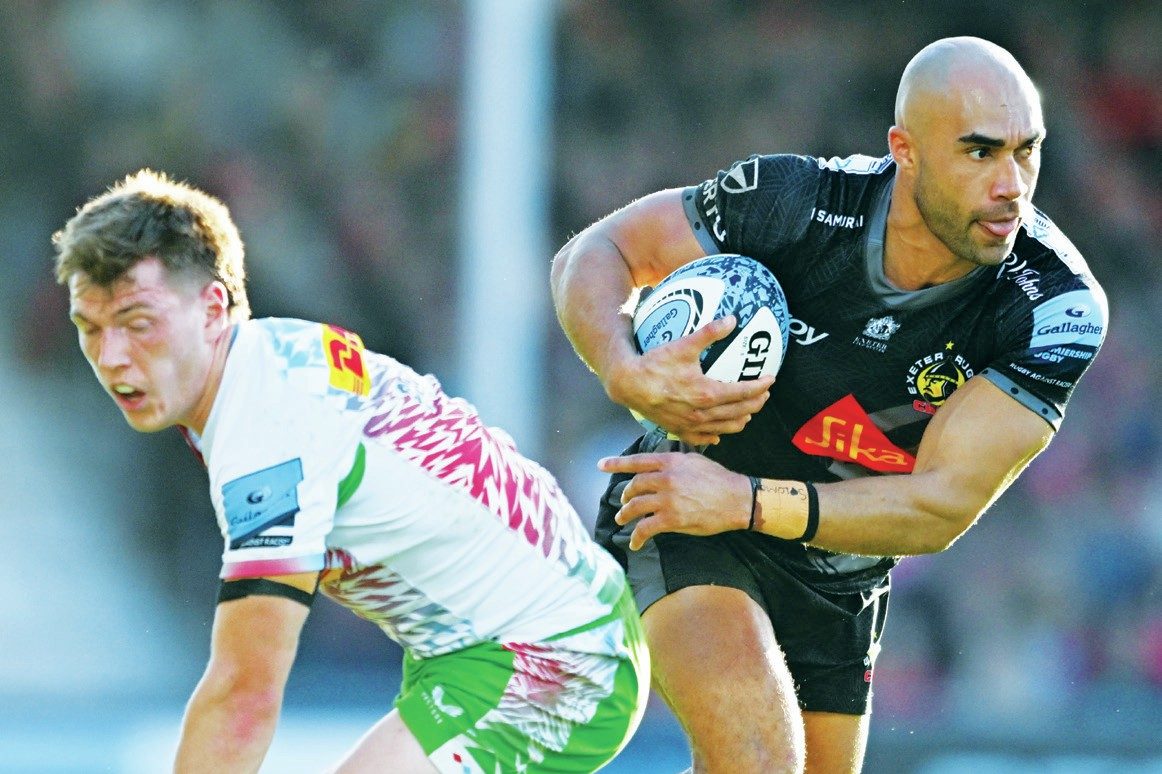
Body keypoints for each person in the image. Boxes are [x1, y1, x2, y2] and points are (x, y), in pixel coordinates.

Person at [549, 36, 1107, 774]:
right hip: (687, 509)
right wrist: (625, 373)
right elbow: (596, 252)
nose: (1013, 185)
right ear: (904, 150)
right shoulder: (794, 205)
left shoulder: (1052, 306)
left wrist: (748, 500)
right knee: (758, 764)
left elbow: (938, 507)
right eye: (980, 153)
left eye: (1026, 151)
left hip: (837, 574)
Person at [53, 169, 649, 773]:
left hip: (553, 655)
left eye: (137, 322)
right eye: (89, 328)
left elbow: (243, 698)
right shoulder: (269, 358)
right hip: (517, 632)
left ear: (212, 308)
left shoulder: (264, 432)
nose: (111, 357)